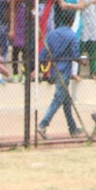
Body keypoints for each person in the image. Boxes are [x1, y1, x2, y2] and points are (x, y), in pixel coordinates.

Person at [36, 7, 80, 139]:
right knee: (59, 98)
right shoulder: (72, 35)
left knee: (66, 100)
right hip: (64, 71)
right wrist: (80, 61)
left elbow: (43, 55)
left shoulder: (52, 34)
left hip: (55, 70)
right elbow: (75, 54)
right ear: (71, 20)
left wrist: (41, 67)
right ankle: (43, 124)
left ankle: (73, 128)